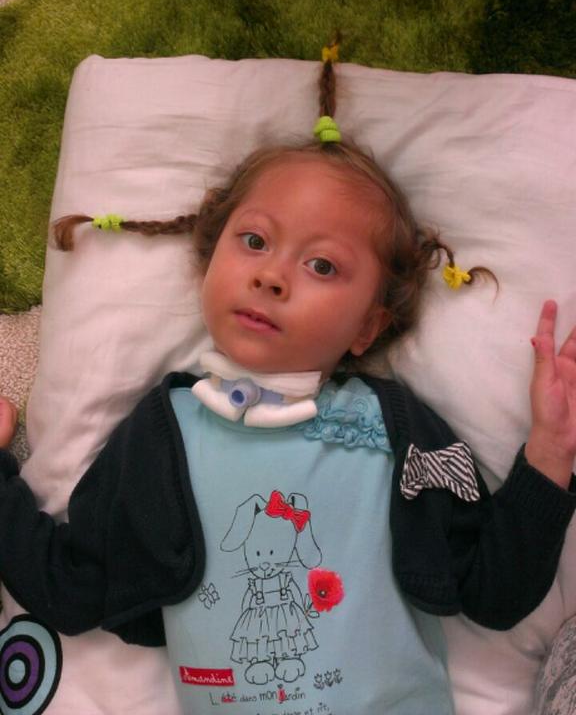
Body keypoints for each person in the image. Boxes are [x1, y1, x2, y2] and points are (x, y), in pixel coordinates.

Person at [0, 46, 575, 715]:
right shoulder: (164, 433)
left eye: (322, 266)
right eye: (253, 241)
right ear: (208, 260)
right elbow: (70, 588)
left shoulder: (394, 428)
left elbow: (495, 594)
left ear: (367, 327)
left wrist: (549, 453)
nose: (272, 276)